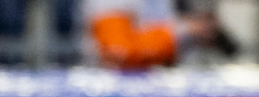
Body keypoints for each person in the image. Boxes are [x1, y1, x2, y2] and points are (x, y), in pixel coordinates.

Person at [83, 0, 238, 70]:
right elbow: (120, 51)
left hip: (159, 82)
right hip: (116, 94)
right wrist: (183, 30)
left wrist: (192, 29)